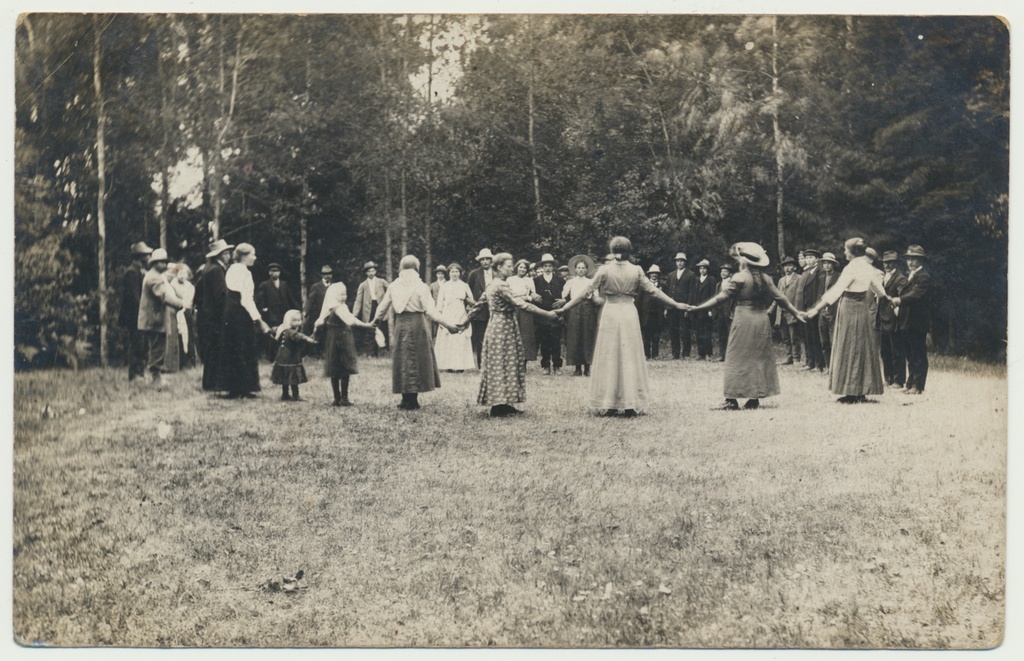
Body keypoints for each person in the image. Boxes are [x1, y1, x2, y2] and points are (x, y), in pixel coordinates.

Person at [556, 237, 688, 416]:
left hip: (610, 312)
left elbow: (584, 293)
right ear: (629, 251)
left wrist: (564, 308)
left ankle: (610, 404)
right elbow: (654, 291)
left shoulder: (604, 270)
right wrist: (675, 304)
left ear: (612, 251)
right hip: (628, 313)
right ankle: (629, 405)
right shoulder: (636, 270)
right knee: (628, 356)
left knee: (609, 355)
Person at [686, 243, 805, 411]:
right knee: (757, 358)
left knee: (736, 357)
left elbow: (721, 298)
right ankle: (753, 399)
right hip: (761, 320)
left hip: (743, 319)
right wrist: (796, 312)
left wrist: (699, 307)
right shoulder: (766, 279)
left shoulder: (740, 278)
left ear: (745, 261)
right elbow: (781, 299)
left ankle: (731, 399)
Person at [463, 253, 559, 417]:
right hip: (503, 327)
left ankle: (505, 403)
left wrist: (463, 322)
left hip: (500, 326)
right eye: (509, 266)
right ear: (499, 267)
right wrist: (548, 314)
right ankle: (498, 406)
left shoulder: (493, 284)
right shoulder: (501, 286)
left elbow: (479, 305)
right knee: (502, 364)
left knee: (506, 363)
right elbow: (522, 304)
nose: (512, 268)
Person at [371, 255, 459, 410]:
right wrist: (448, 325)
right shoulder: (421, 286)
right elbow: (431, 311)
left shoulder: (394, 286)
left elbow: (382, 307)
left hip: (401, 324)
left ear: (401, 268)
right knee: (417, 360)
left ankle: (407, 398)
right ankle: (411, 399)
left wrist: (374, 322)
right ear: (417, 268)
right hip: (418, 324)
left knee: (404, 359)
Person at [806, 238, 888, 403]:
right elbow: (878, 289)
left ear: (852, 252)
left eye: (846, 249)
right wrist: (888, 298)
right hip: (862, 310)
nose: (844, 252)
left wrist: (816, 309)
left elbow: (836, 291)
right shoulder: (867, 267)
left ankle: (851, 391)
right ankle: (861, 391)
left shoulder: (851, 268)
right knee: (861, 346)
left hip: (850, 309)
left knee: (849, 345)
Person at [220, 243, 271, 398]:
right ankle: (242, 388)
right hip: (239, 314)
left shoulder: (232, 269)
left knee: (235, 348)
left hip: (231, 313)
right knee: (242, 347)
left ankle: (237, 388)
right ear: (243, 255)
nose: (254, 257)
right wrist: (260, 321)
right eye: (252, 254)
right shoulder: (243, 272)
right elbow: (246, 300)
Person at [314, 281, 376, 407]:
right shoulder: (337, 308)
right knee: (341, 368)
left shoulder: (333, 307)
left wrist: (315, 331)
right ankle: (340, 398)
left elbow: (318, 323)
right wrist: (367, 325)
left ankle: (341, 397)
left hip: (337, 338)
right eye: (341, 295)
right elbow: (350, 320)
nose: (344, 297)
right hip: (340, 338)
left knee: (339, 368)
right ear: (334, 295)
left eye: (345, 294)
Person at [137, 248, 185, 388]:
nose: (164, 265)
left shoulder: (156, 275)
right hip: (154, 320)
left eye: (165, 262)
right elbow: (164, 296)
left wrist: (175, 266)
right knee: (157, 349)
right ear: (154, 263)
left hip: (154, 319)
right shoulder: (154, 278)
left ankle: (155, 377)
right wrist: (181, 304)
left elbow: (171, 273)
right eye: (161, 263)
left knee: (156, 348)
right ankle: (155, 379)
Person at [892, 245, 933, 395]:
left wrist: (898, 300)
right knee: (910, 354)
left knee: (918, 355)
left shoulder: (924, 277)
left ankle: (918, 386)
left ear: (921, 260)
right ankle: (910, 384)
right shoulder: (911, 276)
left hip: (917, 323)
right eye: (909, 259)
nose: (910, 262)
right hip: (906, 321)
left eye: (914, 259)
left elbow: (916, 295)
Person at [195, 239, 234, 391]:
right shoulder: (217, 270)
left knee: (210, 349)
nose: (228, 256)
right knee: (215, 349)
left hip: (206, 315)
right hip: (214, 316)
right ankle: (211, 384)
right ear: (218, 255)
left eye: (228, 253)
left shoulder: (207, 268)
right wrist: (227, 312)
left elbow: (199, 291)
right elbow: (221, 295)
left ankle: (209, 382)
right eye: (225, 253)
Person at [433, 262, 477, 371]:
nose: (454, 274)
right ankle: (447, 366)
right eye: (452, 271)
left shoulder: (464, 286)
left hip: (460, 314)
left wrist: (468, 314)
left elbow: (472, 303)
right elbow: (439, 303)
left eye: (457, 271)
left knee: (459, 340)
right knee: (447, 339)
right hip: (447, 314)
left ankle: (460, 366)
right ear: (448, 273)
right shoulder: (444, 286)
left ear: (460, 273)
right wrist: (439, 317)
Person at [119, 241, 153, 381]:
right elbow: (134, 298)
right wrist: (144, 313)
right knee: (137, 345)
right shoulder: (131, 272)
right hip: (134, 316)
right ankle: (135, 374)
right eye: (147, 255)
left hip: (139, 315)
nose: (149, 257)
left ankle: (139, 372)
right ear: (140, 257)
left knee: (142, 344)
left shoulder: (138, 271)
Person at [562, 255, 598, 376]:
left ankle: (587, 367)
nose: (581, 270)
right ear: (575, 269)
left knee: (587, 336)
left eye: (583, 268)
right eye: (579, 268)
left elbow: (595, 297)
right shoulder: (570, 282)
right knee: (575, 336)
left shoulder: (591, 282)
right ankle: (577, 368)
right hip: (574, 309)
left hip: (587, 309)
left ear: (587, 269)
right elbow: (564, 295)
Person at [877, 250, 908, 389]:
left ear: (895, 263)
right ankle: (887, 379)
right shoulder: (883, 277)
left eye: (890, 262)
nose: (887, 265)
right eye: (885, 262)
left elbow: (902, 297)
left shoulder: (900, 279)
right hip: (882, 319)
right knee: (885, 352)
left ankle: (898, 381)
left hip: (894, 320)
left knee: (897, 351)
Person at [271, 310, 317, 401]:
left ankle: (285, 394)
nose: (298, 322)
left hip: (283, 357)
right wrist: (308, 339)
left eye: (299, 320)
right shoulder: (290, 331)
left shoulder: (284, 329)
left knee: (285, 376)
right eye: (294, 320)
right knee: (293, 376)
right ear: (288, 321)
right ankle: (295, 395)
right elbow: (298, 336)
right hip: (290, 357)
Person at [256, 262, 299, 361]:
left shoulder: (284, 284)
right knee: (273, 334)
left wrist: (297, 310)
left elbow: (291, 298)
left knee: (284, 333)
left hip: (284, 313)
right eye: (273, 271)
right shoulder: (265, 285)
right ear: (269, 273)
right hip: (271, 314)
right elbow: (261, 300)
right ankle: (272, 357)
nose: (275, 273)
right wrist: (263, 310)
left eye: (277, 271)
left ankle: (284, 355)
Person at [533, 253, 566, 375]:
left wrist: (563, 304)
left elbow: (565, 296)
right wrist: (533, 295)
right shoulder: (536, 280)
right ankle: (545, 365)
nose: (547, 268)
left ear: (553, 267)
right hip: (542, 314)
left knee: (556, 341)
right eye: (545, 266)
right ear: (542, 267)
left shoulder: (560, 280)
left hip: (556, 313)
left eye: (549, 266)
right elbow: (531, 294)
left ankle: (557, 366)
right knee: (544, 341)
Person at [795, 248, 826, 371]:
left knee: (816, 337)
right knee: (808, 337)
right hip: (806, 308)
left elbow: (820, 293)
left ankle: (819, 364)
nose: (808, 260)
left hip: (815, 309)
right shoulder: (806, 273)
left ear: (817, 259)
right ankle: (810, 362)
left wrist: (816, 308)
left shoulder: (821, 272)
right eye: (806, 258)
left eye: (811, 258)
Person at [507, 259, 540, 365]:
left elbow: (533, 295)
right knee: (513, 334)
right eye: (520, 267)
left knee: (526, 335)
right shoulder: (510, 279)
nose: (522, 269)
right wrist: (522, 296)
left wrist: (528, 297)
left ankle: (524, 362)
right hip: (513, 308)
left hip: (526, 309)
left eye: (524, 268)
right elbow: (509, 294)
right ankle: (512, 362)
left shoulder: (530, 280)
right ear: (517, 268)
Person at [771, 255, 802, 365]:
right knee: (785, 337)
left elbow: (800, 296)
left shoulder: (799, 278)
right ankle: (789, 357)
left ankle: (796, 358)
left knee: (794, 336)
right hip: (781, 311)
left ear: (794, 267)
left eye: (790, 266)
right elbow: (777, 296)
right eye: (785, 266)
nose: (787, 268)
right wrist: (772, 309)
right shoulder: (781, 280)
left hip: (792, 311)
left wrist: (797, 311)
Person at [466, 248, 495, 368]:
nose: (485, 262)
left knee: (494, 337)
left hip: (494, 310)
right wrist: (473, 305)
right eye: (483, 259)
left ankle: (494, 364)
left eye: (488, 259)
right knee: (481, 338)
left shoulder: (497, 274)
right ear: (480, 261)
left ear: (491, 260)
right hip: (480, 311)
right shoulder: (474, 274)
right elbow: (467, 292)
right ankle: (482, 364)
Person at [354, 261, 389, 356]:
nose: (371, 273)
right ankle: (370, 353)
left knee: (381, 328)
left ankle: (381, 352)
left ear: (376, 271)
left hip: (380, 306)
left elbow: (390, 291)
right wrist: (354, 315)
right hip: (368, 309)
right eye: (369, 271)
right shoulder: (363, 285)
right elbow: (358, 300)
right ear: (366, 273)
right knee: (369, 330)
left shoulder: (382, 282)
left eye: (373, 271)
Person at [665, 251, 695, 359]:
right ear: (675, 262)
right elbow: (668, 292)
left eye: (681, 261)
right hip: (672, 307)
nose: (679, 263)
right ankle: (675, 353)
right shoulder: (671, 275)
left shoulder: (691, 274)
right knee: (673, 330)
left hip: (684, 306)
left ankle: (686, 353)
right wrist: (667, 307)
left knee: (685, 330)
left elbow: (692, 292)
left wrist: (688, 307)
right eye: (678, 261)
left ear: (685, 262)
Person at [636, 264, 666, 359]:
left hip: (657, 314)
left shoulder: (663, 286)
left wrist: (665, 309)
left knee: (656, 335)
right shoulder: (643, 286)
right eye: (652, 273)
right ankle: (646, 354)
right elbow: (638, 300)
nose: (654, 275)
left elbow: (665, 299)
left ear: (658, 275)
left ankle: (655, 354)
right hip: (646, 314)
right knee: (646, 335)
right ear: (649, 274)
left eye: (656, 273)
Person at [170, 263, 197, 369]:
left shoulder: (190, 286)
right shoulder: (172, 285)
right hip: (175, 312)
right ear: (176, 274)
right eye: (179, 273)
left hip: (186, 312)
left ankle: (190, 361)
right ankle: (180, 362)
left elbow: (188, 300)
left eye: (184, 273)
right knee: (178, 336)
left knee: (189, 335)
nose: (182, 275)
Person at [690, 259, 718, 360]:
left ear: (708, 269)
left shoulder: (711, 279)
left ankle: (708, 353)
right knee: (699, 332)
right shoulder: (696, 279)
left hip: (706, 309)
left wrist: (711, 309)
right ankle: (700, 353)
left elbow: (713, 296)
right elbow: (693, 295)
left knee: (707, 332)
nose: (702, 270)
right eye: (700, 268)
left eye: (704, 268)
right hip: (697, 310)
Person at [818, 252, 840, 370]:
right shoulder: (821, 278)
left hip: (834, 312)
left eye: (829, 263)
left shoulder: (839, 277)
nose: (826, 266)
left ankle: (835, 367)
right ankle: (828, 366)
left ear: (833, 265)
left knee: (834, 341)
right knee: (824, 341)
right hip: (822, 313)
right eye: (824, 263)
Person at [713, 262, 735, 361]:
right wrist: (713, 311)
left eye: (725, 271)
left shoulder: (733, 284)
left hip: (729, 312)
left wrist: (733, 312)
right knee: (721, 335)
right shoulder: (718, 284)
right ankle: (722, 355)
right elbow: (715, 298)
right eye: (722, 271)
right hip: (720, 312)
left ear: (730, 273)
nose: (722, 273)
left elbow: (735, 300)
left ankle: (732, 356)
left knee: (731, 335)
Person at [303, 265, 333, 336]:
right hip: (319, 315)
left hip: (330, 316)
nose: (327, 276)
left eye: (329, 274)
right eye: (325, 274)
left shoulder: (333, 286)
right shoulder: (316, 287)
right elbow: (310, 300)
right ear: (321, 275)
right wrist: (305, 312)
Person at [429, 264, 447, 338]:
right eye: (438, 273)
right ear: (436, 274)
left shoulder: (448, 284)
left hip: (446, 309)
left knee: (445, 327)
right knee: (435, 329)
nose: (440, 275)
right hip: (435, 309)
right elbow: (429, 298)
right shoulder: (432, 285)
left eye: (442, 273)